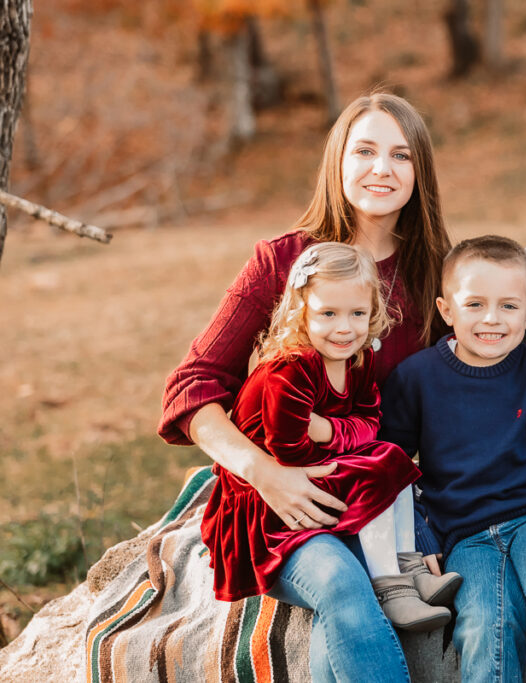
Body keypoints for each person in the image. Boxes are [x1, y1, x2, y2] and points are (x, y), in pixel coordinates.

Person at [160, 92, 452, 682]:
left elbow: (487, 379)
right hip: (280, 498)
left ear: (419, 170)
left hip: (375, 495)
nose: (381, 169)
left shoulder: (436, 274)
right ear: (337, 162)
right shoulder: (283, 263)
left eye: (400, 155)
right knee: (343, 583)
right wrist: (265, 473)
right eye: (364, 150)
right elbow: (190, 388)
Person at [200, 242, 460, 635]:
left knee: (392, 458)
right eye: (328, 314)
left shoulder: (358, 357)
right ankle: (391, 589)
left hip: (313, 469)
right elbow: (291, 452)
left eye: (357, 313)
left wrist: (327, 429)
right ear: (301, 312)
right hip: (269, 496)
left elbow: (370, 421)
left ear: (373, 312)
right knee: (374, 470)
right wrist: (350, 444)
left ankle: (409, 566)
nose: (345, 327)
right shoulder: (290, 371)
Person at [380, 236, 526, 682]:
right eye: (474, 304)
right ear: (446, 310)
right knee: (483, 626)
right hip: (464, 536)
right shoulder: (416, 378)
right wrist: (422, 534)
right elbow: (389, 465)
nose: (491, 319)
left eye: (509, 307)